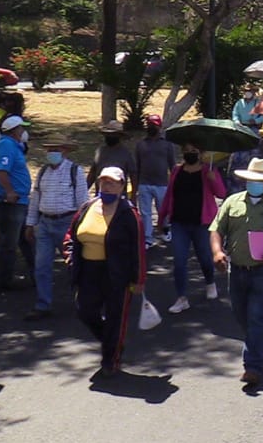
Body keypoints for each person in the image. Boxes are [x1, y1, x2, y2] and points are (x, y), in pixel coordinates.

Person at [210, 158, 263, 387]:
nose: (254, 184)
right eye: (251, 180)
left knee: (256, 315)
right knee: (240, 313)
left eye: (259, 181)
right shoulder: (232, 202)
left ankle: (253, 365)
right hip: (236, 269)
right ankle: (255, 345)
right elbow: (216, 229)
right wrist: (217, 252)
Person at [65, 167, 145, 378]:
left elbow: (138, 248)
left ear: (122, 186)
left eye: (111, 183)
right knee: (85, 311)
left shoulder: (129, 214)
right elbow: (71, 236)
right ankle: (111, 341)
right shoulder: (87, 207)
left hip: (116, 274)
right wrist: (70, 257)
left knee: (115, 318)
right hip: (88, 271)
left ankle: (111, 359)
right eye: (103, 182)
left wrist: (139, 279)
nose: (106, 186)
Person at [23, 136, 86, 320]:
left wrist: (80, 228)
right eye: (49, 150)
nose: (52, 153)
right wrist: (30, 223)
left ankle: (83, 301)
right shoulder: (43, 172)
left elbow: (82, 202)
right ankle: (43, 305)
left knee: (74, 265)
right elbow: (35, 199)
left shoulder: (75, 171)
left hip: (67, 224)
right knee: (41, 266)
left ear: (65, 151)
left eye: (56, 149)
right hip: (44, 224)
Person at [160, 141, 227, 313]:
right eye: (187, 150)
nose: (190, 153)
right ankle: (181, 298)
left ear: (200, 153)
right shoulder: (176, 171)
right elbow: (169, 195)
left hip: (202, 223)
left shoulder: (208, 171)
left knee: (205, 257)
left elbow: (221, 193)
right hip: (179, 223)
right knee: (179, 261)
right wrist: (162, 218)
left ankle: (210, 282)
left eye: (194, 151)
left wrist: (214, 180)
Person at [0, 114, 32, 291]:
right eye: (21, 128)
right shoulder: (6, 146)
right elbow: (2, 171)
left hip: (20, 201)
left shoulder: (14, 146)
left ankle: (37, 275)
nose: (24, 131)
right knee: (9, 242)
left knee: (26, 239)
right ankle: (4, 280)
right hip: (11, 202)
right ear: (14, 131)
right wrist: (9, 191)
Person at [135, 114, 175, 249]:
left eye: (154, 125)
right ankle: (148, 238)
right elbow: (137, 166)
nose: (151, 127)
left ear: (159, 126)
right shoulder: (140, 144)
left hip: (162, 183)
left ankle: (164, 230)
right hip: (144, 183)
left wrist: (174, 183)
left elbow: (172, 165)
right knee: (145, 212)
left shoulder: (167, 144)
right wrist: (135, 185)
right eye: (149, 124)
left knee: (163, 211)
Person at [88, 120, 137, 197]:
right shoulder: (100, 151)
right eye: (108, 134)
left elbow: (133, 175)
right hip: (100, 196)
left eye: (112, 134)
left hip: (119, 197)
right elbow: (93, 173)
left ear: (119, 136)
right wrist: (85, 189)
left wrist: (133, 196)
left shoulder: (126, 154)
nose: (109, 137)